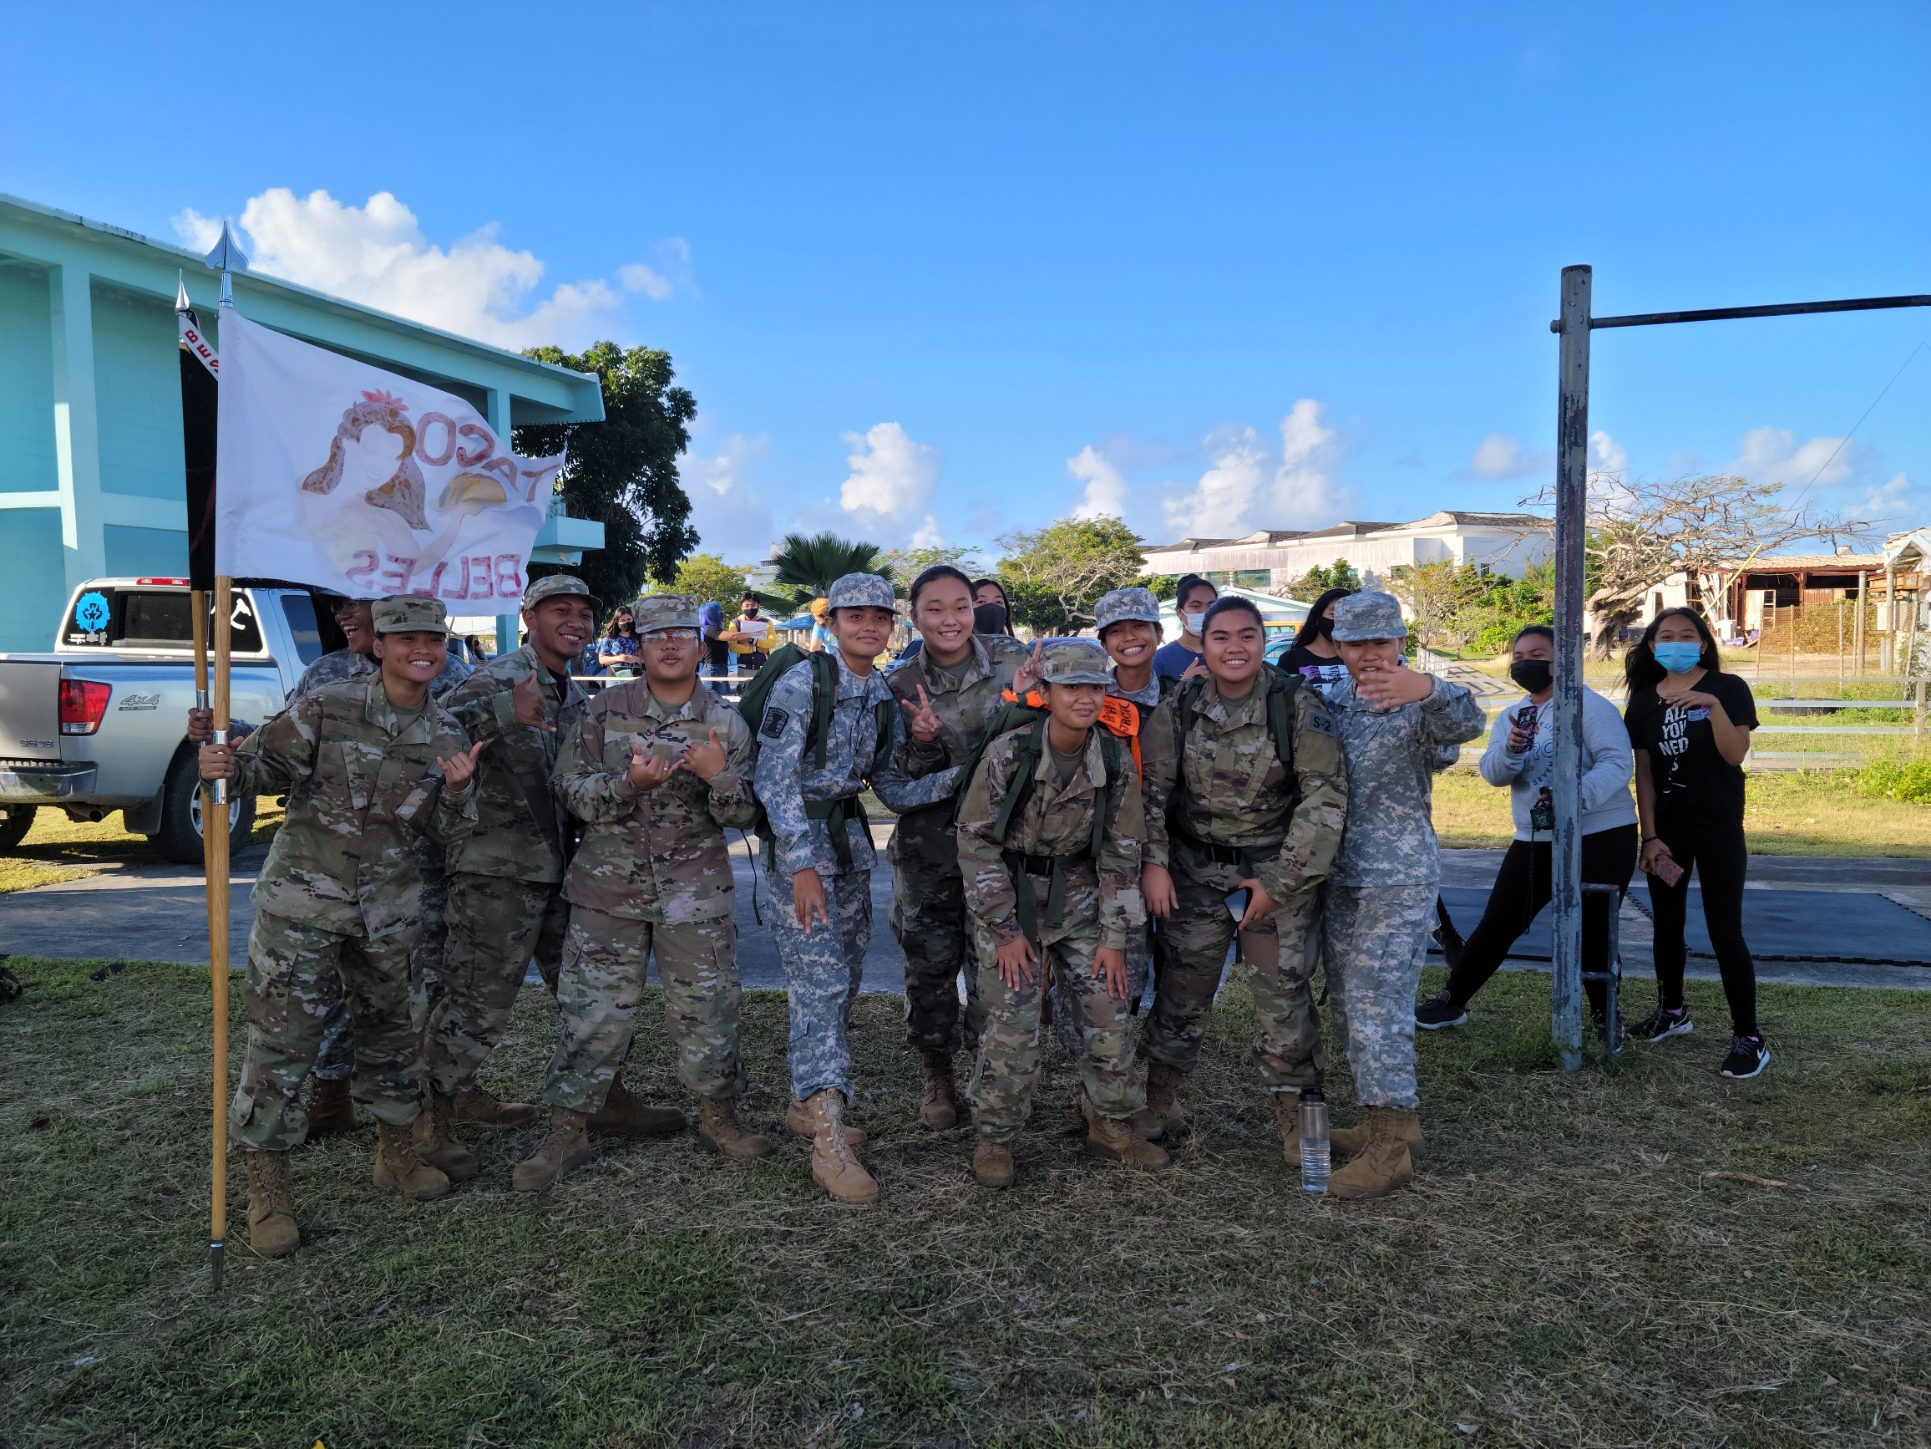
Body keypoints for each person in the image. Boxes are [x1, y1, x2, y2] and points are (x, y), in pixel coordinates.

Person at [196, 596, 483, 1258]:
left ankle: (398, 1157)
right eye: (405, 636)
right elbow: (258, 767)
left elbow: (446, 836)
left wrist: (462, 793)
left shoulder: (446, 733)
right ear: (377, 645)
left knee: (393, 1037)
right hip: (305, 903)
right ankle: (267, 1189)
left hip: (389, 913)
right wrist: (221, 762)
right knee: (282, 1042)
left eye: (433, 638)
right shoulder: (330, 706)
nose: (422, 647)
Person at [512, 595, 769, 1189]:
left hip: (695, 892)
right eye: (657, 636)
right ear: (639, 647)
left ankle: (718, 1117)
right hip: (608, 890)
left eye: (683, 634)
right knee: (591, 1012)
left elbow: (748, 813)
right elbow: (568, 791)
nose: (672, 644)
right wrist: (627, 783)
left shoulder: (725, 723)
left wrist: (718, 775)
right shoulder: (602, 711)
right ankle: (567, 1131)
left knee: (709, 1009)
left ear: (702, 645)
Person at [753, 572, 962, 1204]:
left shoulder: (878, 695)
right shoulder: (801, 683)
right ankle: (828, 1142)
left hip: (849, 853)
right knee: (821, 987)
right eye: (854, 618)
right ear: (832, 623)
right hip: (802, 857)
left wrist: (961, 775)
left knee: (836, 986)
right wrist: (801, 864)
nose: (867, 627)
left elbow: (889, 789)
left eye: (878, 617)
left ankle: (803, 1103)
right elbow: (774, 779)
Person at [1139, 596, 1349, 1160]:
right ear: (1202, 646)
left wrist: (1280, 882)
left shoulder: (1296, 703)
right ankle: (1157, 1103)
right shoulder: (1179, 704)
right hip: (1193, 875)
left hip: (1274, 877)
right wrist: (1154, 864)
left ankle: (1298, 1126)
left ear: (1264, 641)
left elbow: (1324, 797)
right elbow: (1151, 793)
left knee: (1284, 999)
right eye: (1222, 637)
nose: (1235, 648)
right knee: (1181, 993)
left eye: (1248, 636)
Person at [958, 638, 1165, 1186]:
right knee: (1013, 1020)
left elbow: (1123, 849)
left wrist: (1114, 938)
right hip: (1013, 898)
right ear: (1045, 692)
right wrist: (1003, 930)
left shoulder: (1114, 756)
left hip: (1082, 898)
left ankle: (1109, 1122)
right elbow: (976, 843)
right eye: (1072, 686)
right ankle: (996, 1137)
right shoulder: (1010, 752)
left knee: (1108, 1008)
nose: (1085, 697)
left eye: (1096, 686)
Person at [1317, 591, 1486, 1198]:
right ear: (1339, 646)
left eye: (1381, 642)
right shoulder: (1329, 700)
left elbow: (1468, 723)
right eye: (1357, 643)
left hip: (1398, 874)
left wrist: (1430, 689)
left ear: (1399, 643)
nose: (1370, 655)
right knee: (1346, 1003)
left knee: (1377, 1005)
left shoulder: (1419, 697)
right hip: (1338, 875)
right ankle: (1387, 1122)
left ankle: (1391, 1150)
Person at [424, 575, 597, 1162]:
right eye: (558, 610)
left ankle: (603, 1097)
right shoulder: (496, 677)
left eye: (583, 613)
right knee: (476, 1003)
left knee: (586, 994)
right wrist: (503, 710)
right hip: (495, 873)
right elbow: (428, 734)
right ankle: (431, 1119)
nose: (574, 621)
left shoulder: (573, 695)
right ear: (528, 616)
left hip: (558, 871)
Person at [1414, 624, 1638, 1028]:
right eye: (1518, 657)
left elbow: (1617, 763)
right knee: (1499, 921)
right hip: (1536, 836)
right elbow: (1493, 774)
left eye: (1537, 656)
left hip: (1602, 835)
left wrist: (1572, 797)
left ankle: (1606, 1015)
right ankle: (1452, 1000)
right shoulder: (1514, 715)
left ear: (1563, 661)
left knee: (1592, 930)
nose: (1525, 664)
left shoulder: (1590, 707)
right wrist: (1511, 750)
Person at [882, 565, 1032, 1127]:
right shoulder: (896, 685)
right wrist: (922, 745)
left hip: (1001, 848)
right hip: (930, 852)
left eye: (962, 606)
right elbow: (895, 784)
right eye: (936, 608)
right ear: (914, 616)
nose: (951, 619)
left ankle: (989, 1078)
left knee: (996, 970)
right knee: (931, 968)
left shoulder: (1015, 663)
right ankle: (937, 1077)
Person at [1622, 607, 1768, 1079]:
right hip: (1670, 831)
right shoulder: (1643, 703)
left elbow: (1735, 754)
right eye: (1667, 636)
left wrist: (1712, 706)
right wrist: (1651, 836)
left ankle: (1749, 1037)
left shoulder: (1728, 690)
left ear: (1703, 644)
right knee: (1667, 927)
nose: (1677, 642)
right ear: (1653, 646)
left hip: (1720, 825)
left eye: (1689, 635)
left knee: (1725, 931)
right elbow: (1644, 774)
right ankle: (1673, 1012)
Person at [1276, 587, 1355, 699]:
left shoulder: (1358, 658)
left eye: (1347, 617)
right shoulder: (1291, 659)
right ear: (1317, 617)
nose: (1340, 621)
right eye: (1334, 614)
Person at [1152, 575, 1217, 684]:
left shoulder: (1229, 652)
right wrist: (1183, 684)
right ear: (1180, 612)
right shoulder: (1160, 660)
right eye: (1196, 606)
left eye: (1211, 606)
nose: (1205, 612)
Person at [728, 592, 771, 674]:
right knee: (744, 687)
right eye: (746, 605)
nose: (750, 608)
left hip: (763, 666)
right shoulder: (735, 623)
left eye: (753, 605)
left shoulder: (767, 622)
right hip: (744, 666)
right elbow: (733, 647)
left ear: (759, 606)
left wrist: (747, 641)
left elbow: (771, 643)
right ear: (741, 607)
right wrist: (756, 648)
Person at [598, 607, 640, 676]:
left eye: (629, 619)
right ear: (617, 622)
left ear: (633, 620)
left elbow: (647, 659)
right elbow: (602, 660)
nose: (626, 622)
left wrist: (635, 659)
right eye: (622, 620)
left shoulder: (639, 638)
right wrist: (617, 658)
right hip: (614, 676)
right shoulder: (609, 638)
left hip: (635, 675)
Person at [699, 600, 731, 689]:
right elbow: (733, 636)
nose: (721, 614)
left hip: (719, 668)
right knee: (712, 700)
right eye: (720, 611)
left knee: (723, 699)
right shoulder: (710, 629)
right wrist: (752, 633)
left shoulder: (711, 629)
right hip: (712, 670)